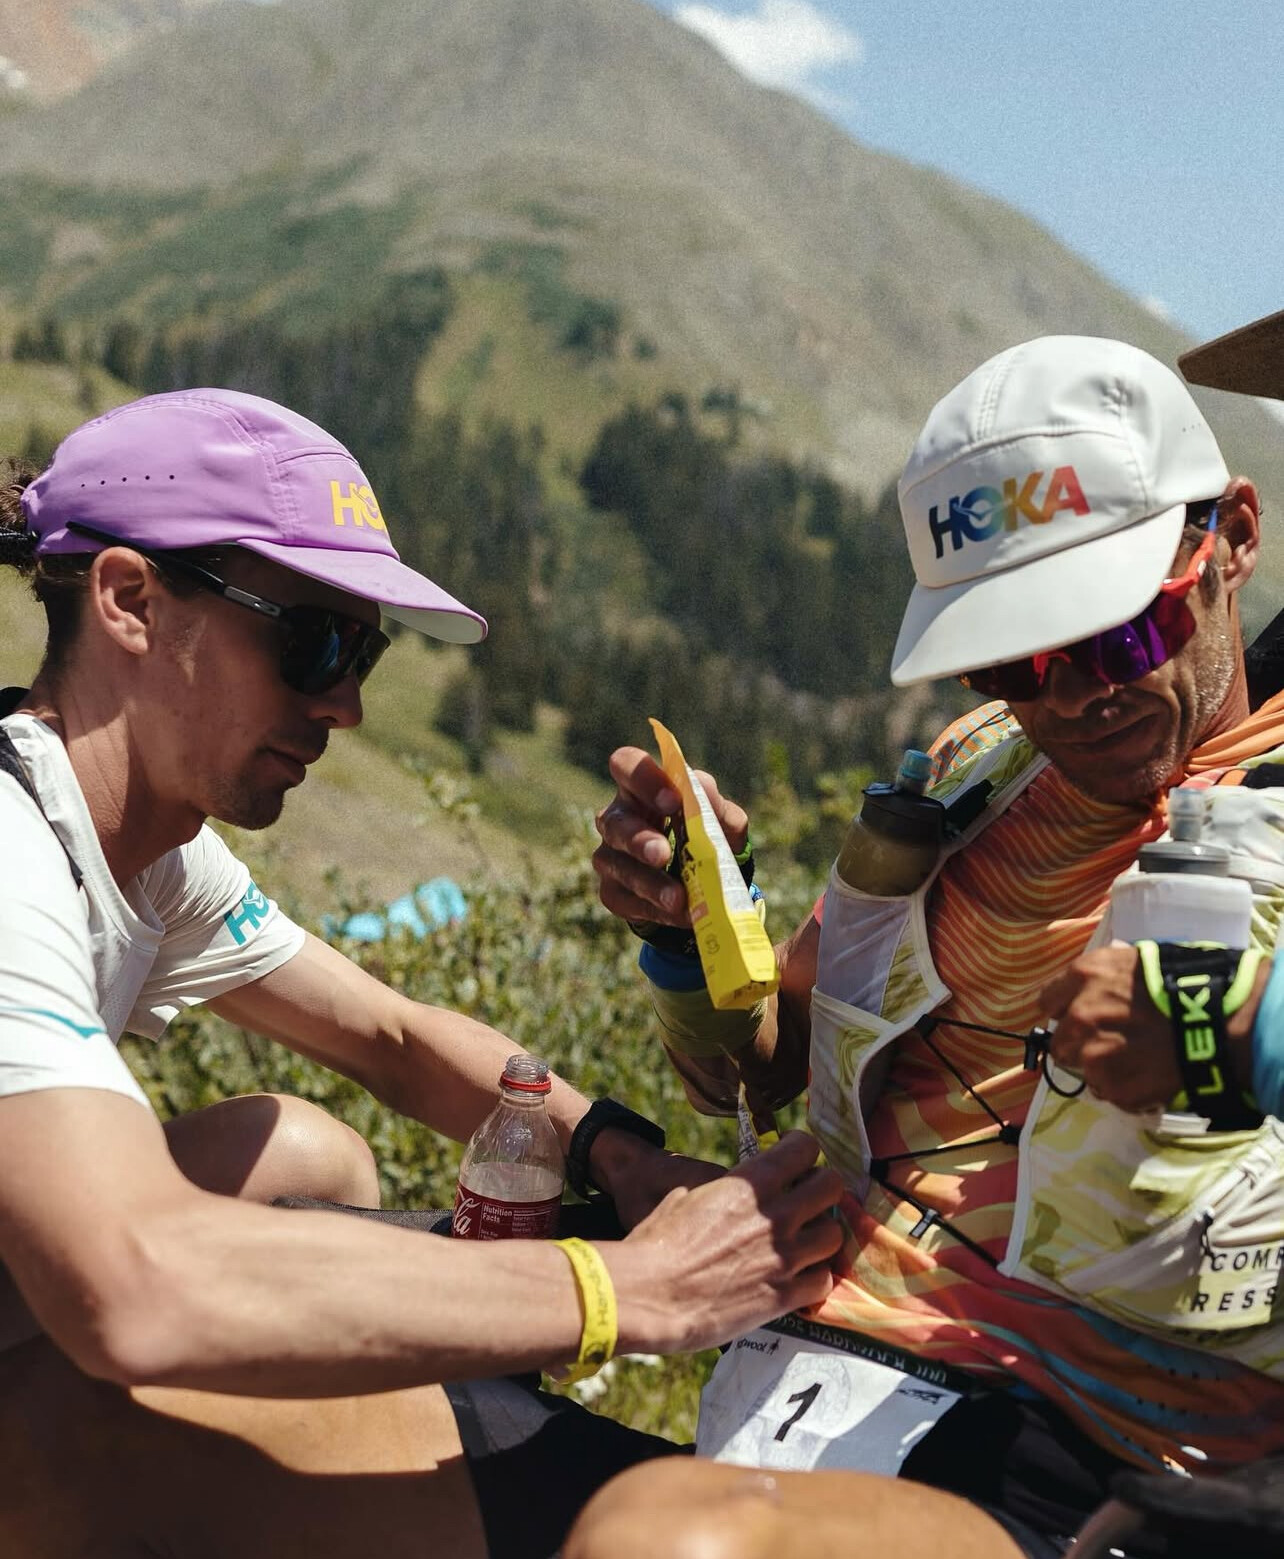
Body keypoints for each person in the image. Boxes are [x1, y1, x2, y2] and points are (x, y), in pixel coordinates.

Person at [0, 387, 845, 1559]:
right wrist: (635, 1286)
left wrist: (623, 1160)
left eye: (365, 652)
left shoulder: (141, 847)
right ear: (131, 600)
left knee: (305, 1153)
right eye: (313, 641)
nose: (345, 703)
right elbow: (131, 1287)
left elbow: (390, 1038)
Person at [583, 334, 1284, 1559]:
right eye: (1016, 660)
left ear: (1228, 537)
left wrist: (1229, 1035)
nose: (1074, 697)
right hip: (786, 1380)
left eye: (1121, 636)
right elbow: (771, 1068)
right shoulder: (976, 771)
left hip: (1072, 1457)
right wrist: (691, 940)